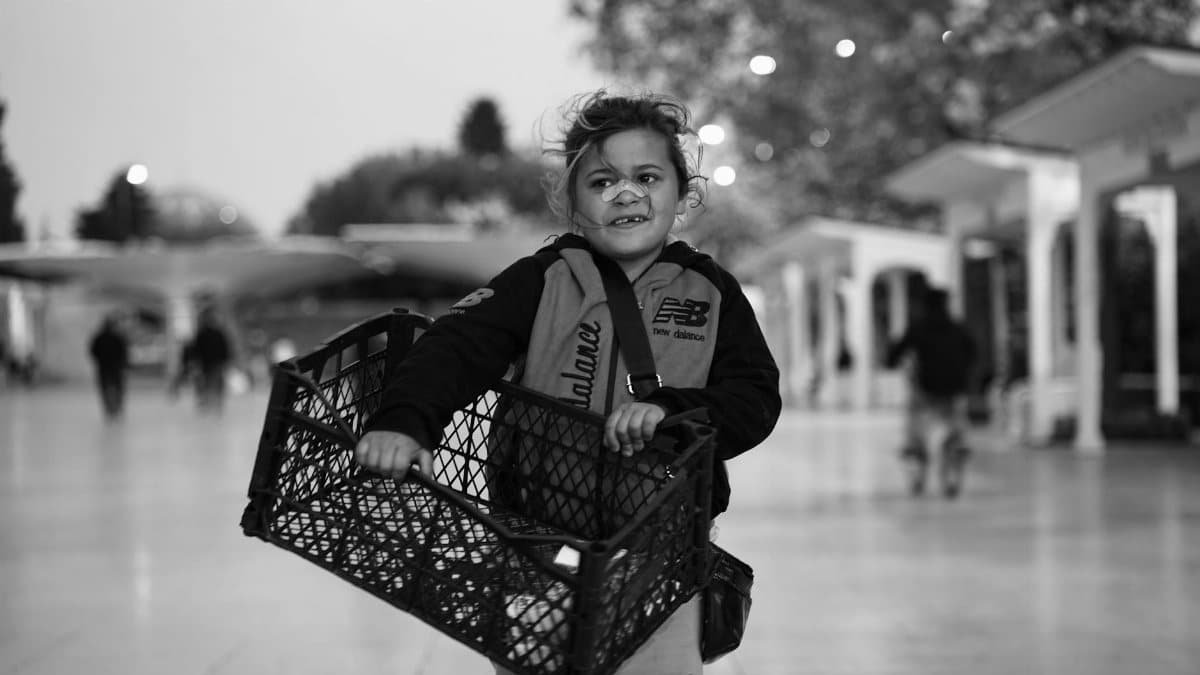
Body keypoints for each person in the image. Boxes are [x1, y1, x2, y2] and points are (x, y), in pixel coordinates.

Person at [355, 90, 782, 673]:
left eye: (648, 177)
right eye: (602, 182)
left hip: (662, 562)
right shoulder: (542, 279)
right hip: (536, 554)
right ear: (571, 203)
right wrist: (404, 422)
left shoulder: (712, 293)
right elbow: (454, 348)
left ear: (682, 194)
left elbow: (755, 396)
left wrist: (675, 412)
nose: (626, 193)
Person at [885, 287, 977, 497]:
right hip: (955, 388)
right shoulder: (957, 328)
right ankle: (955, 452)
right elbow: (973, 354)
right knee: (956, 426)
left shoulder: (918, 328)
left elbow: (894, 356)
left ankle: (916, 455)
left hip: (925, 389)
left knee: (915, 426)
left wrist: (893, 353)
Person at [189, 307, 232, 413]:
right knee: (207, 383)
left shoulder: (218, 333)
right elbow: (196, 350)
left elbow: (225, 348)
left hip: (217, 363)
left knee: (216, 383)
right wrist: (195, 363)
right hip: (206, 364)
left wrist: (226, 361)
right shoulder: (202, 334)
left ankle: (215, 404)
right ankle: (208, 404)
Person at [88, 313, 130, 421]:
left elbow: (93, 351)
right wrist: (123, 363)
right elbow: (124, 352)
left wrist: (99, 360)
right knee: (118, 387)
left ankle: (109, 408)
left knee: (105, 388)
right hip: (116, 367)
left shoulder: (99, 337)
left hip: (104, 366)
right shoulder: (118, 337)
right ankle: (117, 407)